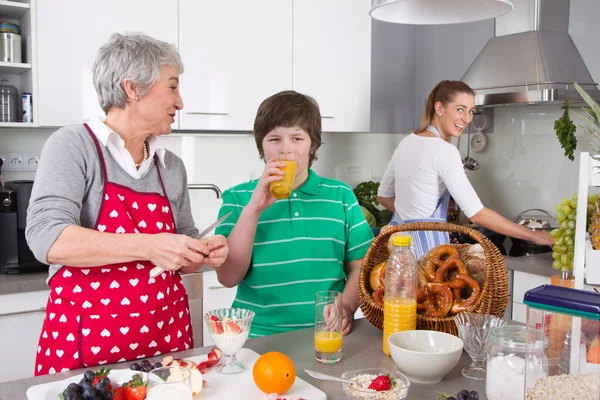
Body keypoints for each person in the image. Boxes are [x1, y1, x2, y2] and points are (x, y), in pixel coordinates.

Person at [26, 32, 229, 376]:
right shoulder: (74, 145)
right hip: (88, 348)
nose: (180, 102)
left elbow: (183, 259)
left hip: (167, 342)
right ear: (133, 88)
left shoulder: (172, 166)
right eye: (172, 87)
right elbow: (47, 237)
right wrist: (152, 246)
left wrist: (202, 252)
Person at [214, 90, 374, 338]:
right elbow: (227, 277)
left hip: (327, 334)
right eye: (274, 139)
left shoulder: (340, 196)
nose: (285, 150)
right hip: (256, 337)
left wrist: (347, 305)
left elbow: (361, 266)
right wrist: (254, 208)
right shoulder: (238, 199)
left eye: (297, 138)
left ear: (312, 145)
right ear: (261, 147)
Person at [377, 80, 553, 259]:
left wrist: (411, 222)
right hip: (427, 254)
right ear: (439, 108)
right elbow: (477, 214)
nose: (467, 118)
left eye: (471, 111)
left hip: (397, 251)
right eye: (460, 109)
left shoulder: (407, 142)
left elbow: (383, 196)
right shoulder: (444, 151)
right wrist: (533, 235)